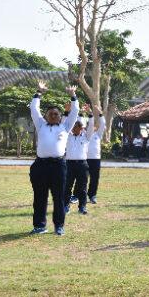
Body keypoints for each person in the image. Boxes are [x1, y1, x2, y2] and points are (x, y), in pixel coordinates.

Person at [29, 81, 78, 236]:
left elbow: (75, 112)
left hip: (58, 166)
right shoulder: (41, 125)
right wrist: (39, 93)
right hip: (40, 166)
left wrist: (73, 96)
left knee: (59, 198)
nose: (53, 115)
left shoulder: (65, 126)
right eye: (50, 113)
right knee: (39, 197)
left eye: (56, 113)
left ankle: (59, 226)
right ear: (46, 116)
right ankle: (40, 226)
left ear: (59, 116)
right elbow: (33, 109)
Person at [64, 108, 94, 216]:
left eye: (77, 128)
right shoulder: (67, 136)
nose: (74, 130)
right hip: (69, 164)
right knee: (67, 186)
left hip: (82, 165)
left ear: (81, 129)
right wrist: (66, 113)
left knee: (82, 187)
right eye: (73, 128)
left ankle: (82, 207)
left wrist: (90, 114)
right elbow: (64, 124)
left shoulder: (86, 137)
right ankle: (65, 206)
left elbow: (91, 127)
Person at [86, 109, 106, 204]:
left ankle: (92, 195)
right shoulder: (84, 135)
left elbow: (103, 124)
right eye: (90, 125)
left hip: (96, 159)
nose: (93, 127)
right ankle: (79, 195)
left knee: (94, 178)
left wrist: (100, 113)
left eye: (94, 126)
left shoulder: (98, 135)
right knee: (82, 179)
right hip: (84, 159)